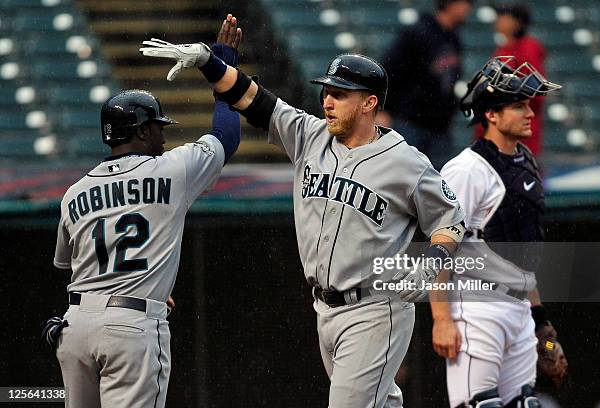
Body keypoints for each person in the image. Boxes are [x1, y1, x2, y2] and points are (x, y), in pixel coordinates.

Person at [140, 23, 466, 407]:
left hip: (377, 309)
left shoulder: (406, 162)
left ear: (369, 103)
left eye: (340, 95)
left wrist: (432, 262)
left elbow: (451, 221)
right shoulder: (310, 136)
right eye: (326, 92)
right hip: (325, 310)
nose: (327, 101)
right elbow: (253, 98)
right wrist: (210, 62)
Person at [42, 16, 242, 408]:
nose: (163, 136)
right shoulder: (172, 170)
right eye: (157, 127)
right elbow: (227, 135)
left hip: (74, 327)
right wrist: (226, 65)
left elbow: (70, 265)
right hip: (131, 329)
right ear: (141, 131)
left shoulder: (75, 192)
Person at [432, 56, 566, 407]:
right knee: (481, 405)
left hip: (519, 308)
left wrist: (542, 326)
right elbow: (441, 247)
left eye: (529, 105)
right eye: (519, 105)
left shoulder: (524, 161)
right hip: (477, 307)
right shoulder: (465, 170)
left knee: (525, 404)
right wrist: (441, 318)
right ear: (491, 114)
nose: (530, 113)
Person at [379, 0, 473, 170]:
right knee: (403, 179)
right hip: (411, 122)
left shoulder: (454, 37)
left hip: (440, 126)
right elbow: (388, 69)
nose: (468, 8)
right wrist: (383, 109)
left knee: (437, 184)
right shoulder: (419, 32)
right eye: (464, 3)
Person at [475, 4, 548, 156]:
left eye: (504, 17)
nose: (498, 21)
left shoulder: (528, 48)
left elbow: (536, 91)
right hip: (499, 129)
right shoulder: (504, 48)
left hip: (516, 132)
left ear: (517, 22)